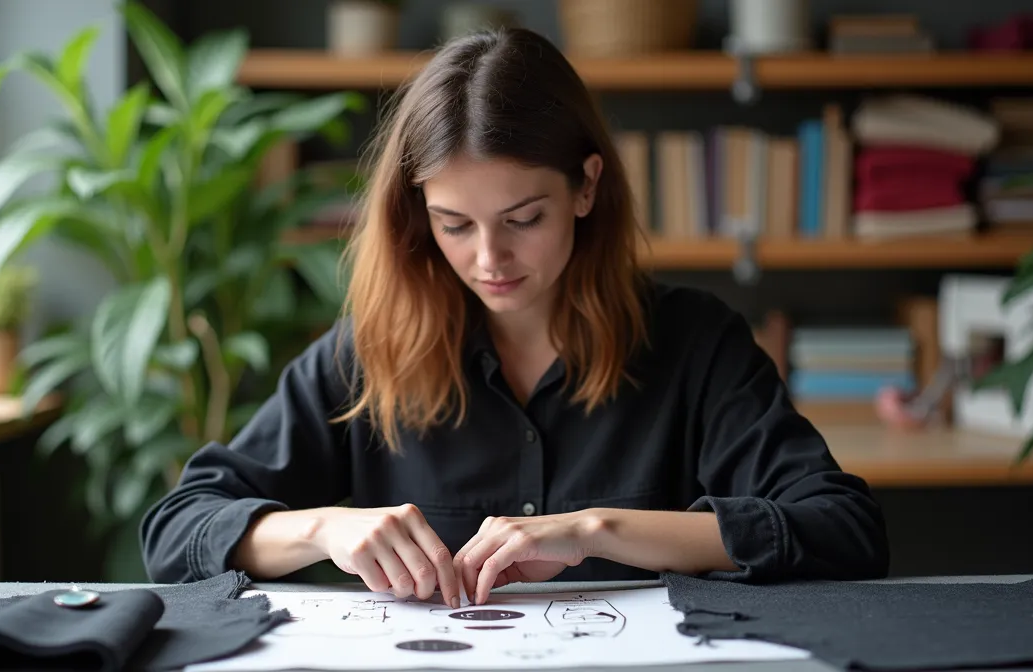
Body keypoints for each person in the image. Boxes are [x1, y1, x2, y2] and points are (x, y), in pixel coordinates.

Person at [140, 27, 888, 608]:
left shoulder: (695, 344)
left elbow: (845, 530)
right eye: (454, 224)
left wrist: (600, 530)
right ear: (418, 216)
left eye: (524, 217)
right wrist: (321, 527)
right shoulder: (367, 355)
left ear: (586, 187)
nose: (489, 257)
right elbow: (177, 529)